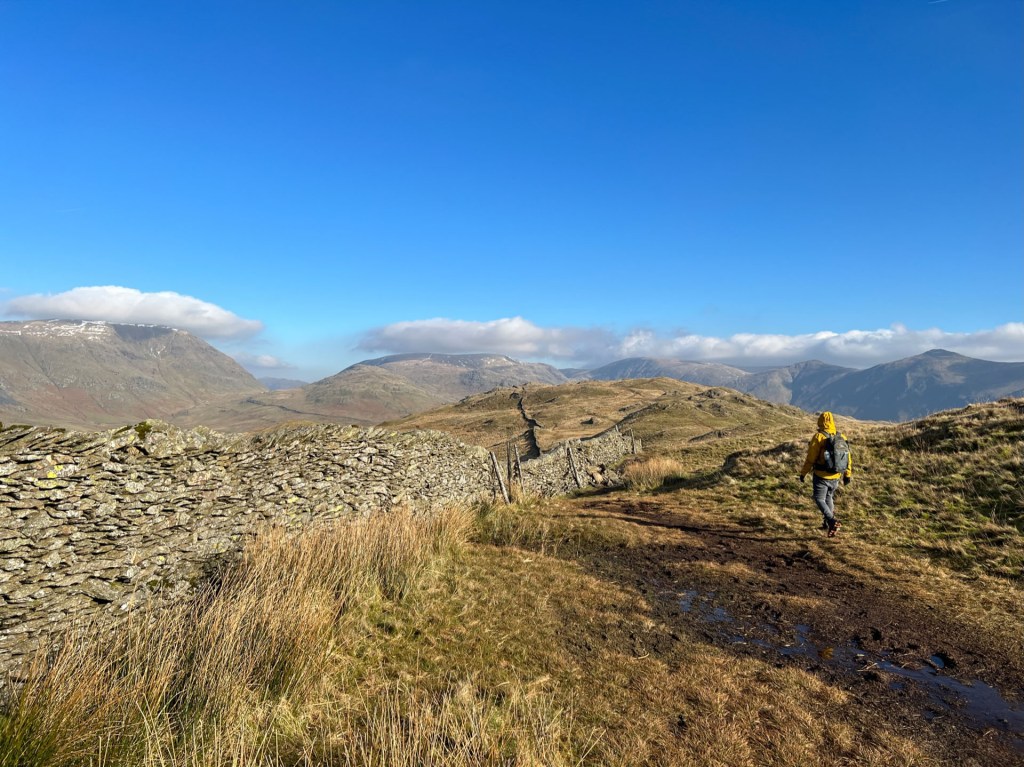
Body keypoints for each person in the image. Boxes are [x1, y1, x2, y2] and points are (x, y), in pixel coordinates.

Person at [799, 411, 852, 537]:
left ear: (820, 422)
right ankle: (828, 523)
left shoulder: (818, 437)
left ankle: (831, 521)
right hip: (836, 475)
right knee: (829, 497)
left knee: (819, 499)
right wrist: (847, 475)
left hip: (821, 475)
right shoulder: (841, 437)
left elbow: (810, 459)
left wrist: (803, 473)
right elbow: (848, 457)